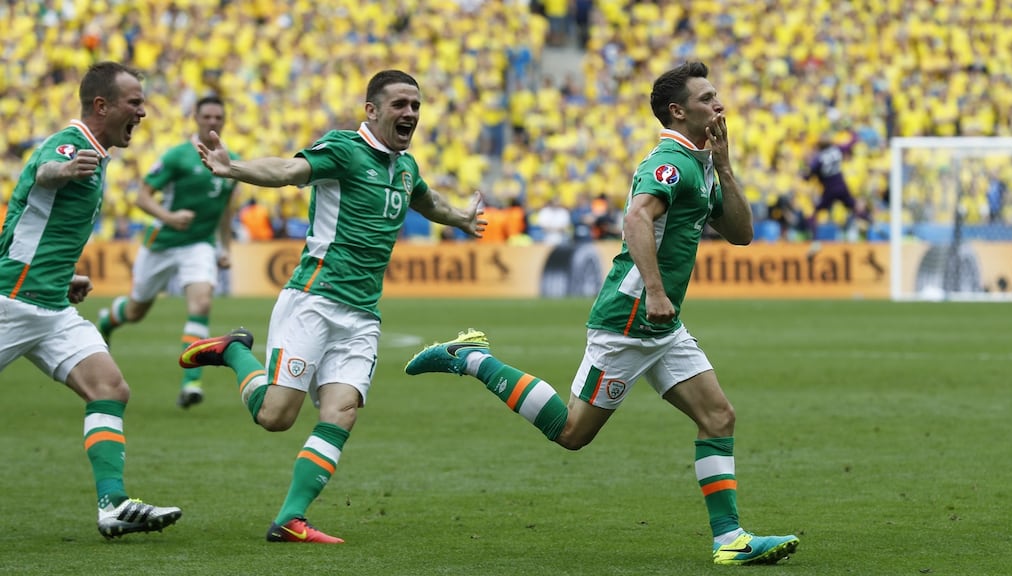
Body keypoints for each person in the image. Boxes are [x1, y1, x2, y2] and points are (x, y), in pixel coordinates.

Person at [405, 61, 800, 566]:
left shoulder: (700, 164)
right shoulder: (668, 163)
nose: (719, 105)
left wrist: (724, 165)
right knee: (572, 433)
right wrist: (655, 293)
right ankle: (473, 358)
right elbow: (636, 218)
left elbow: (742, 234)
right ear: (678, 112)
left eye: (717, 95)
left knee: (718, 415)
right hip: (630, 320)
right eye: (707, 98)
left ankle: (730, 540)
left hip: (663, 326)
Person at [177, 69, 486, 543]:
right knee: (276, 417)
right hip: (314, 302)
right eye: (400, 104)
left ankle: (289, 519)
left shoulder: (406, 167)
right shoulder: (344, 149)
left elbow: (426, 202)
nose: (410, 114)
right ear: (372, 110)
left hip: (363, 315)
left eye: (416, 106)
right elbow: (287, 171)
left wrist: (461, 218)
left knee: (341, 411)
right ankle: (234, 351)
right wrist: (234, 168)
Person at [0, 61, 182, 539]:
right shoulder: (75, 142)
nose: (143, 112)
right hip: (12, 302)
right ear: (103, 105)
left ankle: (113, 504)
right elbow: (42, 171)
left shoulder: (98, 153)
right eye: (134, 102)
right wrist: (64, 168)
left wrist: (64, 279)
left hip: (50, 305)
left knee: (110, 388)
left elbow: (31, 224)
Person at [96, 95, 240, 409]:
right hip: (161, 244)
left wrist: (224, 248)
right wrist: (169, 217)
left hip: (198, 245)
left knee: (201, 302)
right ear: (196, 118)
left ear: (223, 121)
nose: (213, 122)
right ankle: (107, 320)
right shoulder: (177, 157)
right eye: (208, 117)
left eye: (218, 117)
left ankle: (192, 383)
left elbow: (226, 211)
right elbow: (142, 198)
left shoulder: (231, 158)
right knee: (135, 311)